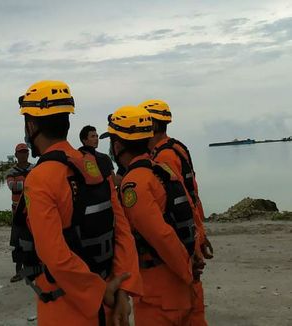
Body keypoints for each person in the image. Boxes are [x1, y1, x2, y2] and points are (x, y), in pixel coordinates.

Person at [15, 80, 143, 325]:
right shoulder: (94, 165)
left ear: (31, 125)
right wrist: (122, 290)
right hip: (112, 298)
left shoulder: (41, 177)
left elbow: (54, 255)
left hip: (67, 308)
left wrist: (99, 292)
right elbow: (121, 230)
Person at [100, 105, 202, 325]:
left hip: (160, 293)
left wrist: (187, 272)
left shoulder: (134, 183)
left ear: (117, 146)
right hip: (180, 287)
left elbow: (161, 235)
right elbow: (191, 209)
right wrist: (193, 256)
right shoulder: (163, 170)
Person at [139, 99, 212, 326]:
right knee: (192, 299)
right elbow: (192, 196)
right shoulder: (177, 148)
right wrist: (200, 231)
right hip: (192, 230)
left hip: (183, 239)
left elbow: (180, 202)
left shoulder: (164, 157)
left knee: (187, 293)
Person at [6, 143, 34, 282]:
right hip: (17, 212)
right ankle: (18, 272)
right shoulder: (11, 171)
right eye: (21, 152)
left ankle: (33, 270)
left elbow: (17, 185)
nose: (24, 154)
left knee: (34, 241)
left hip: (33, 211)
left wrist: (22, 184)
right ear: (16, 155)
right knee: (17, 243)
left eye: (25, 152)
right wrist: (31, 183)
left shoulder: (34, 168)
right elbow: (12, 187)